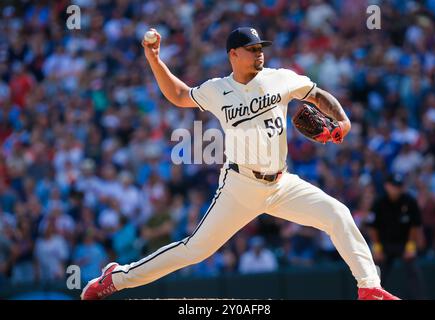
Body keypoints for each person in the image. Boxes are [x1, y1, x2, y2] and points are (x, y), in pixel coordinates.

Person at [81, 27, 399, 300]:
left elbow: (316, 95)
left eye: (260, 48)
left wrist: (341, 120)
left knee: (337, 214)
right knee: (194, 251)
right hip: (240, 186)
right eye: (251, 50)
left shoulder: (280, 78)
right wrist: (154, 59)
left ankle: (369, 288)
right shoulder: (218, 89)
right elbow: (179, 95)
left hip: (282, 183)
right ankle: (116, 278)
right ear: (233, 54)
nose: (259, 54)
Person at [367, 173, 426, 299]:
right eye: (393, 185)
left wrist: (410, 247)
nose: (396, 189)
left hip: (404, 244)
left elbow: (415, 226)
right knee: (376, 275)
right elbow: (372, 227)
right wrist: (377, 248)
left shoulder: (410, 201)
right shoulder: (379, 203)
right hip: (384, 245)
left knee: (414, 272)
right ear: (387, 186)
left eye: (399, 186)